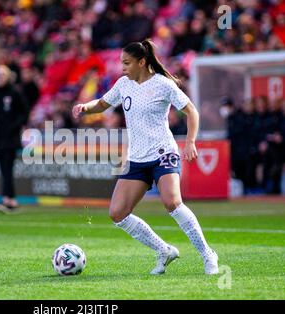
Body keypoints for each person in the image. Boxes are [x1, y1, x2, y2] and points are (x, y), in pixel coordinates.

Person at [72, 39, 218, 275]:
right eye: (122, 63)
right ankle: (164, 250)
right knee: (117, 213)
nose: (123, 68)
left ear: (142, 62)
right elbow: (102, 104)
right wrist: (85, 107)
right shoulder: (123, 84)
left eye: (127, 63)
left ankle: (208, 255)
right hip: (138, 158)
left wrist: (190, 141)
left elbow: (191, 111)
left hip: (163, 153)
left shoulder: (163, 84)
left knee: (172, 202)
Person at [0, 65, 29, 213]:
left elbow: (24, 112)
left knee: (7, 168)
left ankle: (5, 198)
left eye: (3, 75)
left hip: (11, 138)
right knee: (4, 169)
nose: (0, 78)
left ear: (8, 77)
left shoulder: (14, 92)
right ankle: (11, 199)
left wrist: (15, 125)